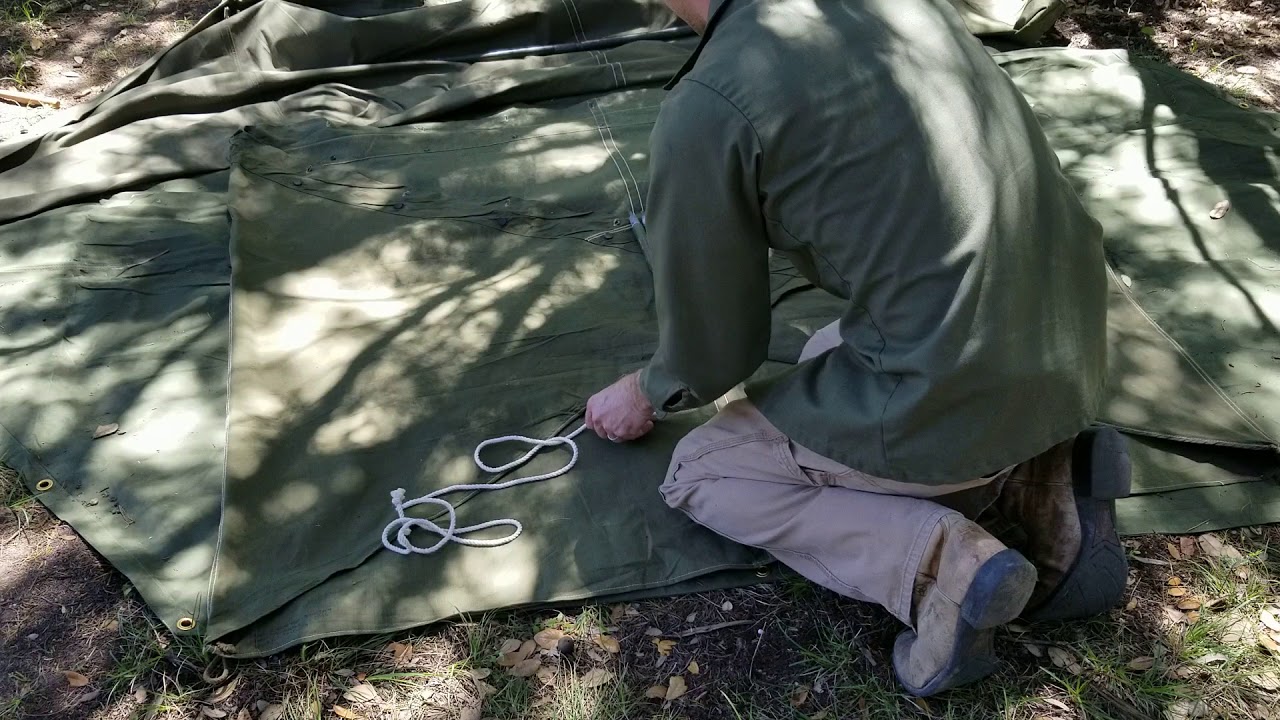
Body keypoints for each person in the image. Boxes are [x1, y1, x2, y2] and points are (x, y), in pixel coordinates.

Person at [584, 0, 1131, 697]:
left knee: (705, 473)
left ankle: (945, 569)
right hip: (1070, 338)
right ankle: (1035, 473)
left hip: (956, 376)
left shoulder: (711, 103)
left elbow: (714, 354)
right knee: (823, 348)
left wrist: (644, 390)